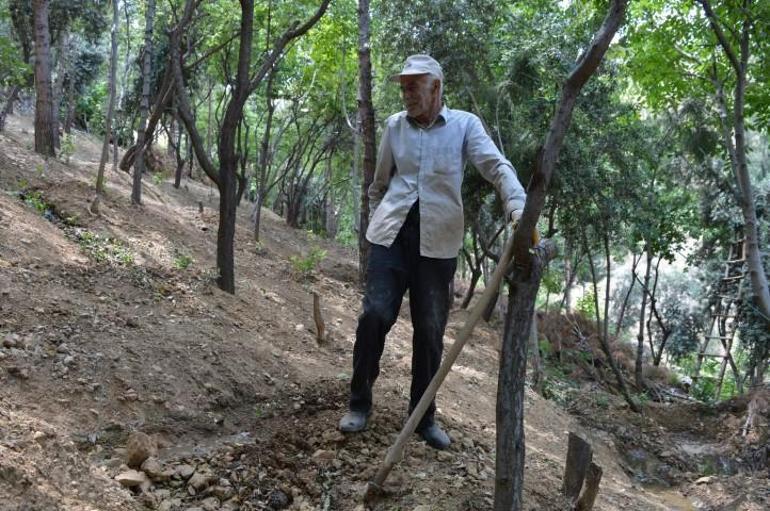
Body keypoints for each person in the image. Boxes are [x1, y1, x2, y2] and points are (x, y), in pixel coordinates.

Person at [339, 54, 527, 449]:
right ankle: (359, 404)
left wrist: (518, 209)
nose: (406, 93)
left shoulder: (464, 126)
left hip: (438, 243)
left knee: (429, 332)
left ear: (436, 87)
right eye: (403, 86)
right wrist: (377, 221)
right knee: (374, 315)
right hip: (391, 236)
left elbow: (496, 166)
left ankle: (423, 419)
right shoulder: (394, 126)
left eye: (414, 86)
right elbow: (379, 183)